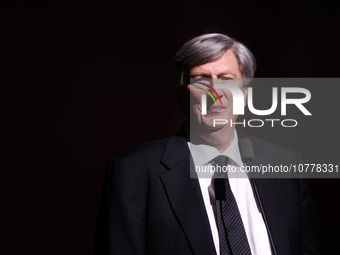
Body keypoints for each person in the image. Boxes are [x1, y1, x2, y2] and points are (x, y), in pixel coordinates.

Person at [94, 33, 321, 255]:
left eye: (226, 79)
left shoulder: (286, 167)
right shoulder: (134, 172)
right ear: (183, 94)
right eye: (201, 80)